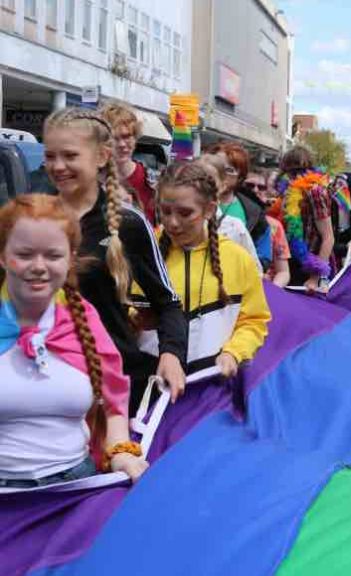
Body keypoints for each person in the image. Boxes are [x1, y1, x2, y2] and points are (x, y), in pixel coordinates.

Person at [43, 107, 187, 415]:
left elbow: (168, 302)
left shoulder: (128, 223)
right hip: (45, 377)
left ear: (101, 156)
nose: (58, 166)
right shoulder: (33, 218)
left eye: (69, 155)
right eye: (50, 156)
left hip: (111, 381)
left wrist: (171, 355)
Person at [0, 194, 148, 487]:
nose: (39, 266)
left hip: (75, 490)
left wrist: (120, 453)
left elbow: (113, 403)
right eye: (25, 254)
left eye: (53, 255)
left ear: (70, 259)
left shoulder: (84, 319)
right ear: (3, 257)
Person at [134, 160, 271, 378]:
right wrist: (134, 319)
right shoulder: (141, 250)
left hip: (211, 383)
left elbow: (254, 320)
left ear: (210, 209)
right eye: (165, 211)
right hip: (150, 383)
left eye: (185, 213)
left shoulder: (237, 258)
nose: (173, 223)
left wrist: (233, 353)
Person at [204, 142, 271, 266]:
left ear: (240, 177)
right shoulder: (192, 202)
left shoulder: (254, 212)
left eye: (229, 170)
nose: (221, 173)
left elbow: (263, 257)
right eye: (217, 167)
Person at [277, 146, 334, 292]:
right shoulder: (288, 191)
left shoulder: (315, 191)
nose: (292, 176)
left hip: (310, 264)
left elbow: (328, 237)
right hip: (291, 260)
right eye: (290, 173)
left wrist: (314, 277)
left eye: (297, 171)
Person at [100, 102, 158, 225]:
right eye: (115, 138)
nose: (122, 144)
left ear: (135, 137)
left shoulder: (153, 183)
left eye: (127, 137)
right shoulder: (93, 182)